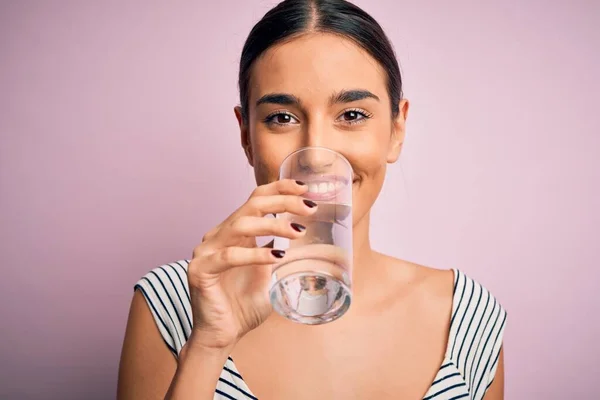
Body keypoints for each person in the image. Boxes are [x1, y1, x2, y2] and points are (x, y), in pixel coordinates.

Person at [117, 0, 507, 399]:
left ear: (396, 129)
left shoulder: (466, 318)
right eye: (282, 117)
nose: (317, 153)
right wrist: (208, 346)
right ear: (247, 136)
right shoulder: (171, 302)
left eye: (352, 115)